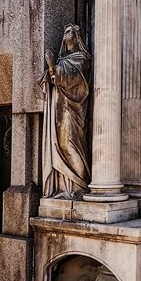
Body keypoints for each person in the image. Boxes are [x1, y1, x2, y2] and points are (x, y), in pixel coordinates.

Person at [43, 25, 92, 199]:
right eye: (64, 32)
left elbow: (76, 79)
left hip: (74, 109)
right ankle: (65, 188)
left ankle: (79, 186)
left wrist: (53, 66)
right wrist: (51, 69)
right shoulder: (63, 60)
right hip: (59, 107)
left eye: (70, 31)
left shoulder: (82, 59)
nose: (66, 35)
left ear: (77, 36)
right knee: (61, 145)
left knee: (71, 144)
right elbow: (53, 79)